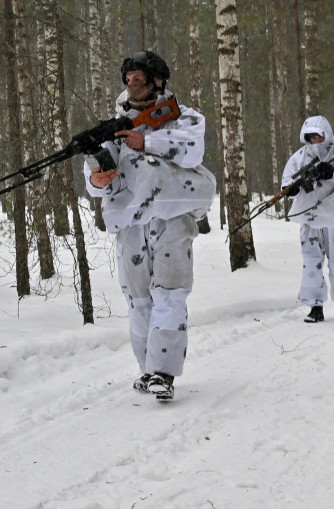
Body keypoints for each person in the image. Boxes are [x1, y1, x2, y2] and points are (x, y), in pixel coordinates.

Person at [83, 51, 216, 401]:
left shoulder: (183, 117)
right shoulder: (113, 126)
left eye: (139, 77)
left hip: (172, 213)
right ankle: (147, 369)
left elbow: (192, 151)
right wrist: (98, 179)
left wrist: (148, 141)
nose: (132, 83)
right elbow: (94, 178)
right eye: (128, 78)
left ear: (157, 80)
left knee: (169, 293)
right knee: (138, 299)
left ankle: (164, 371)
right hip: (130, 220)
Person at [280, 115, 334, 323]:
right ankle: (315, 307)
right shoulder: (299, 158)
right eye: (311, 138)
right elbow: (287, 182)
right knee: (311, 261)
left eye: (319, 137)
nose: (316, 142)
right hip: (310, 216)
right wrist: (292, 189)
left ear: (326, 135)